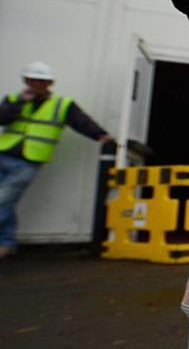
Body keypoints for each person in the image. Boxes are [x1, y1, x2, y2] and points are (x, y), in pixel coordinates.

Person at [0, 62, 114, 258]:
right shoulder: (13, 100)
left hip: (29, 161)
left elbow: (81, 121)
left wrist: (101, 135)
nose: (36, 84)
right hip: (4, 153)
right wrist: (19, 102)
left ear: (49, 83)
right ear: (26, 81)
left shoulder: (62, 104)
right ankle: (7, 243)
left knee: (4, 198)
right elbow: (3, 119)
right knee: (7, 201)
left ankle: (6, 242)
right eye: (32, 80)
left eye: (41, 81)